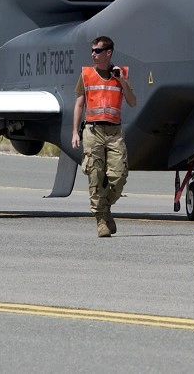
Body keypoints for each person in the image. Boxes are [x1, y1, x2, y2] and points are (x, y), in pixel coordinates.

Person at [72, 36, 137, 237]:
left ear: (108, 53)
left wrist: (122, 81)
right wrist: (75, 132)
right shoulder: (86, 75)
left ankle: (105, 208)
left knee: (119, 176)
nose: (93, 54)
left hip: (114, 132)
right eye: (92, 50)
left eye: (97, 51)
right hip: (92, 131)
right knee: (95, 174)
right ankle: (101, 220)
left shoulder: (122, 74)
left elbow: (132, 102)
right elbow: (80, 104)